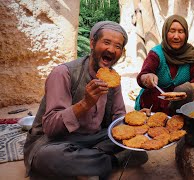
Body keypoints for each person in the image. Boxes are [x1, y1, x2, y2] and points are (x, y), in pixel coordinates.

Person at [23, 21, 148, 180]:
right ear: (92, 43)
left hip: (94, 137)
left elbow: (118, 119)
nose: (111, 49)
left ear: (121, 52)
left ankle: (88, 165)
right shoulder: (63, 73)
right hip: (54, 142)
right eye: (106, 42)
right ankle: (111, 161)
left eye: (117, 46)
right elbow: (50, 128)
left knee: (137, 145)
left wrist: (136, 120)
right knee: (49, 157)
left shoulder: (113, 79)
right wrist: (85, 104)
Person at [135, 15, 194, 115]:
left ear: (186, 34)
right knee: (153, 95)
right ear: (165, 33)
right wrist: (147, 77)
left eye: (180, 31)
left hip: (181, 100)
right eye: (172, 31)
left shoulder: (190, 54)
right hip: (157, 101)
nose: (176, 36)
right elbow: (142, 76)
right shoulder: (156, 54)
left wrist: (184, 89)